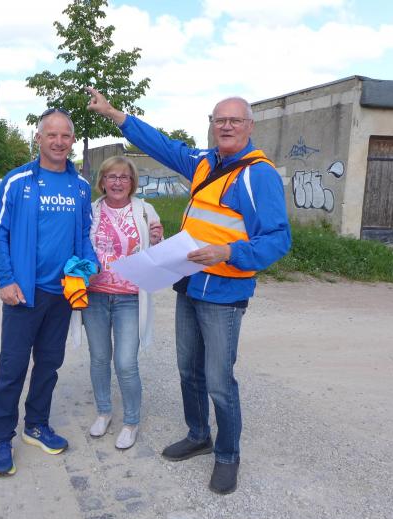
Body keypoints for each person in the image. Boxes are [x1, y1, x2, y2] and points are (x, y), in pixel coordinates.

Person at [87, 87, 291, 494]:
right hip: (190, 284)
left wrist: (228, 251)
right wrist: (115, 114)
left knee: (219, 380)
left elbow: (278, 239)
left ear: (250, 126)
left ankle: (227, 456)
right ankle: (198, 435)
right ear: (212, 125)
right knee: (188, 370)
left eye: (234, 120)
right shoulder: (204, 162)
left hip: (224, 293)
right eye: (220, 120)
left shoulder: (258, 174)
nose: (226, 126)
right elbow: (161, 145)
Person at [0, 108, 98, 477]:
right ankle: (2, 438)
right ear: (38, 138)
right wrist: (5, 280)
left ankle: (36, 425)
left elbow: (83, 235)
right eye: (52, 135)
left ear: (72, 141)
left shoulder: (80, 186)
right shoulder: (17, 181)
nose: (59, 142)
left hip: (61, 294)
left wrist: (90, 264)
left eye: (66, 136)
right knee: (12, 368)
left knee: (49, 365)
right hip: (23, 294)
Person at [79, 156, 162, 450]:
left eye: (123, 177)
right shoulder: (90, 211)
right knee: (99, 358)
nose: (117, 182)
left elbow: (156, 255)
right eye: (111, 177)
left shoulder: (145, 211)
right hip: (95, 296)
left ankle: (131, 421)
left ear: (132, 182)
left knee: (126, 362)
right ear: (102, 181)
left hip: (130, 298)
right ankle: (103, 412)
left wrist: (158, 240)